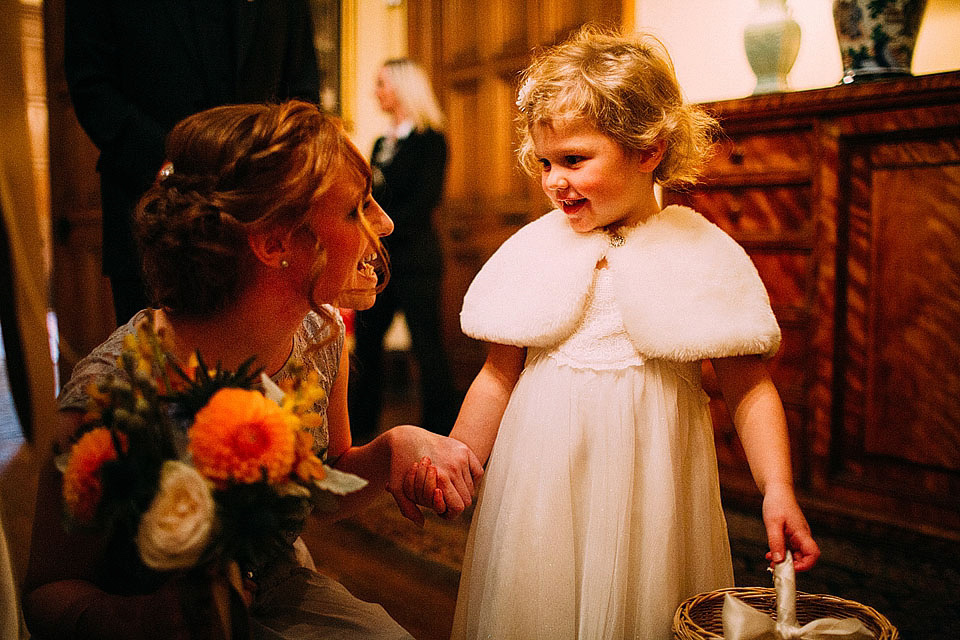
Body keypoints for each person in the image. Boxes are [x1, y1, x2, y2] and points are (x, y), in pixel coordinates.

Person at [407, 27, 821, 639]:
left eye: (574, 160)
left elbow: (749, 386)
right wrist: (458, 458)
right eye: (546, 163)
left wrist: (777, 488)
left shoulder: (699, 251)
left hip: (653, 476)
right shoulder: (535, 251)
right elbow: (498, 374)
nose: (553, 181)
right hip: (541, 473)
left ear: (648, 149)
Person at [22, 100, 482, 640]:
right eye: (357, 208)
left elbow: (319, 489)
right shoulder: (113, 393)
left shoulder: (321, 336)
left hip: (279, 589)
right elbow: (45, 594)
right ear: (274, 243)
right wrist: (138, 619)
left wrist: (388, 452)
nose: (385, 222)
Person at [65, 0, 322, 325]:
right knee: (152, 366)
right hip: (151, 210)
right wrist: (168, 163)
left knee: (262, 369)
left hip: (261, 216)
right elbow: (91, 86)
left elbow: (302, 92)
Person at [349, 58, 460, 440]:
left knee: (426, 343)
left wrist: (381, 229)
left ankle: (442, 429)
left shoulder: (431, 140)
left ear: (402, 87)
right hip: (378, 261)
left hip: (415, 260)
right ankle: (358, 428)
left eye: (381, 83)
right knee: (366, 344)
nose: (375, 92)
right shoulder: (381, 143)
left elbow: (424, 200)